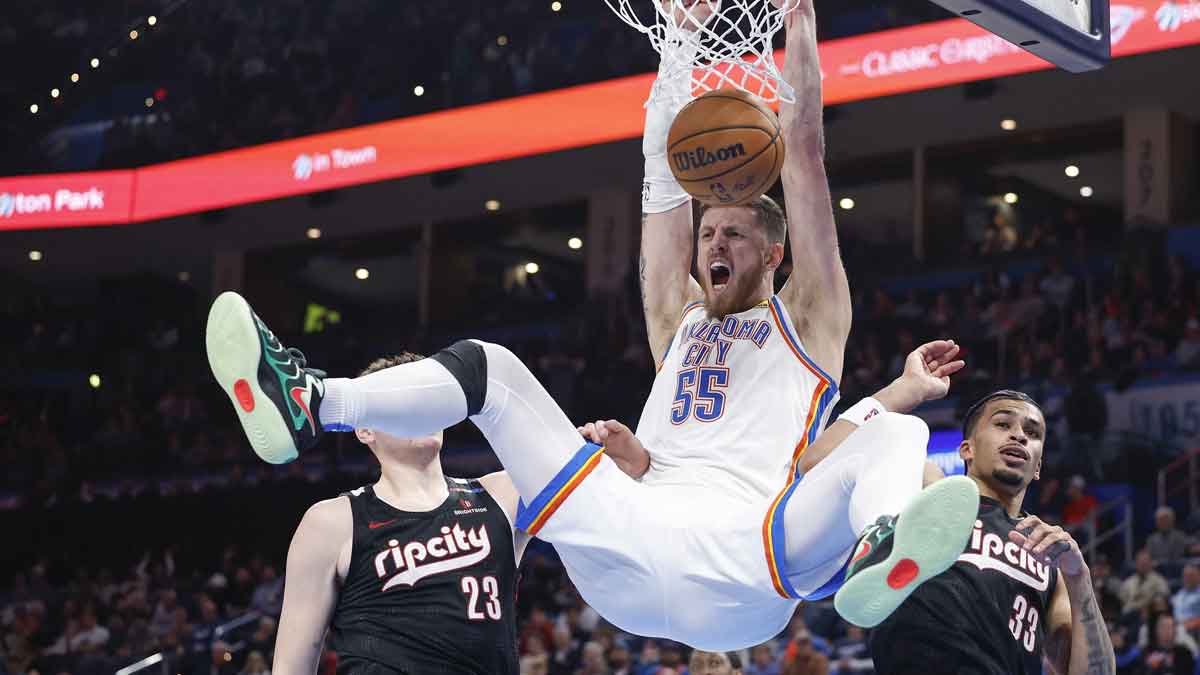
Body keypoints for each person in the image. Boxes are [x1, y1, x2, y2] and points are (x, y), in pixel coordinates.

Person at [205, 1, 979, 649]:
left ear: (775, 251)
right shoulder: (675, 320)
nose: (713, 242)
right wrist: (677, 47)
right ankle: (312, 401)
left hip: (753, 551)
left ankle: (883, 544)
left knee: (899, 434)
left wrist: (800, 20)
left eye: (734, 234)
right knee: (491, 367)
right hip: (629, 538)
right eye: (707, 232)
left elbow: (804, 153)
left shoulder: (811, 317)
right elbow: (657, 189)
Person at [270, 354, 644, 674]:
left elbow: (621, 482)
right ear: (364, 428)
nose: (420, 413)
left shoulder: (502, 493)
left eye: (428, 401)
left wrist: (612, 449)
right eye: (400, 404)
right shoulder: (331, 522)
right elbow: (291, 666)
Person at [868, 390, 1116, 675]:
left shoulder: (1045, 559)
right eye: (1002, 424)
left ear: (1038, 467)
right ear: (967, 449)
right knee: (905, 433)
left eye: (1032, 432)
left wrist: (1079, 576)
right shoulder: (927, 492)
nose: (1019, 435)